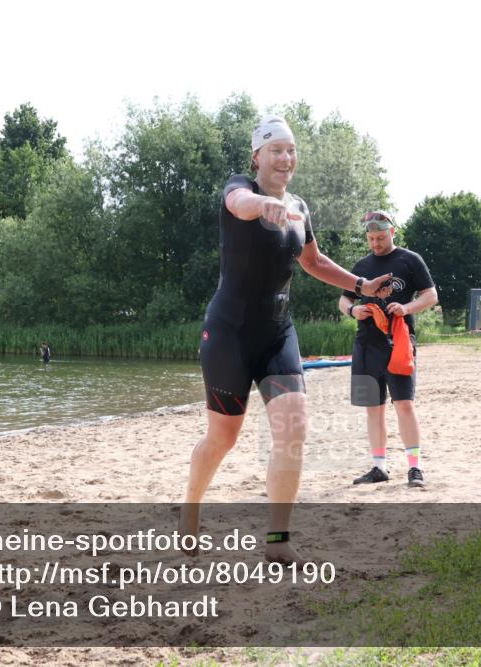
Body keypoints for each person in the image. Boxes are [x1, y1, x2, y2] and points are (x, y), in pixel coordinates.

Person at [181, 117, 392, 563]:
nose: (285, 158)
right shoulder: (239, 187)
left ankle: (277, 539)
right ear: (257, 157)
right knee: (223, 437)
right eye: (275, 150)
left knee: (293, 428)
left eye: (291, 150)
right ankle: (191, 510)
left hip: (278, 334)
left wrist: (361, 285)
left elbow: (313, 262)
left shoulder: (298, 205)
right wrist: (263, 206)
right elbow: (239, 204)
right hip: (229, 335)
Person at [339, 210, 438, 488]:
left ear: (392, 232)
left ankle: (415, 468)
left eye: (380, 237)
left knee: (404, 404)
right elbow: (343, 300)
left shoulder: (410, 260)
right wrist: (353, 310)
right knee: (373, 407)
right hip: (366, 345)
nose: (375, 243)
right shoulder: (361, 265)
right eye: (371, 238)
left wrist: (406, 307)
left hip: (399, 343)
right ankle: (379, 467)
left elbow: (431, 295)